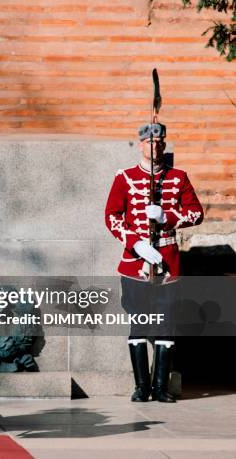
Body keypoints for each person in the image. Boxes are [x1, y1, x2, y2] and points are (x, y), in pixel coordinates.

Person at [105, 122, 203, 403]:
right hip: (135, 264)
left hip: (168, 264)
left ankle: (160, 387)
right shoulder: (124, 177)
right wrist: (135, 242)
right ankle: (141, 387)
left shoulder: (179, 177)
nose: (155, 146)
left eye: (160, 142)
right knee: (138, 324)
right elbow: (112, 216)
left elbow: (196, 213)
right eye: (150, 142)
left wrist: (166, 217)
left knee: (166, 324)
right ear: (141, 144)